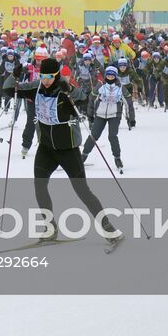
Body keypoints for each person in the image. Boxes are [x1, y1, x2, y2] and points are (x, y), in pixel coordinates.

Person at [30, 58, 121, 248]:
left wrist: (70, 88)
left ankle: (108, 228)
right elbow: (9, 88)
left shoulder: (64, 90)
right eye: (43, 76)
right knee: (39, 185)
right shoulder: (37, 88)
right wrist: (14, 77)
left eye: (50, 76)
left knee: (82, 191)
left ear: (56, 76)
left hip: (68, 148)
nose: (46, 80)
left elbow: (83, 98)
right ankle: (50, 228)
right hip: (46, 148)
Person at [80, 64, 125, 172]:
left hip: (114, 115)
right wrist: (90, 115)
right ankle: (83, 156)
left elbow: (128, 102)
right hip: (100, 115)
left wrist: (131, 118)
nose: (110, 78)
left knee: (112, 136)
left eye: (112, 76)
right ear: (105, 76)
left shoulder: (120, 87)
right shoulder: (100, 85)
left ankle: (117, 158)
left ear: (115, 76)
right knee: (94, 136)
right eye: (108, 76)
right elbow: (91, 99)